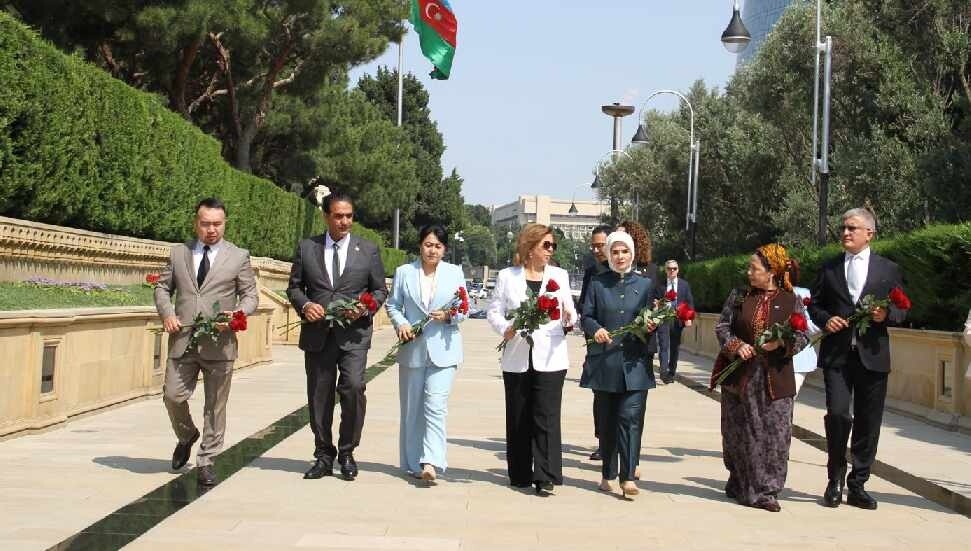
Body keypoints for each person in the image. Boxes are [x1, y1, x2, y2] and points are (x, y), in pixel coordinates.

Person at [154, 197, 258, 486]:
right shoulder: (178, 253)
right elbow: (162, 288)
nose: (211, 229)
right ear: (195, 223)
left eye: (217, 224)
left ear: (225, 224)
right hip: (183, 339)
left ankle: (207, 460)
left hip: (220, 343)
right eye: (205, 224)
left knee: (215, 406)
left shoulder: (238, 256)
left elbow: (250, 295)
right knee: (172, 396)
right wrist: (167, 313)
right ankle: (186, 435)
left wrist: (238, 314)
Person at [808, 208, 907, 510]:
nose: (846, 233)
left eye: (852, 228)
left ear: (869, 234)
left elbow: (903, 309)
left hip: (873, 356)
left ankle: (858, 484)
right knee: (838, 414)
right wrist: (826, 319)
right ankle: (834, 479)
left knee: (868, 421)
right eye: (843, 228)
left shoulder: (888, 269)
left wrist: (885, 314)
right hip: (837, 356)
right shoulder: (829, 268)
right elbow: (814, 305)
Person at [287, 191, 388, 481]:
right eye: (338, 216)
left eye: (349, 216)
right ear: (326, 216)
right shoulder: (307, 248)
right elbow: (294, 287)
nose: (344, 221)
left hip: (353, 336)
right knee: (319, 395)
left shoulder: (367, 250)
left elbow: (379, 290)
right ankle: (323, 454)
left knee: (353, 387)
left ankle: (347, 451)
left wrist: (364, 308)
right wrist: (305, 305)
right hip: (318, 335)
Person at [714, 243, 808, 512]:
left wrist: (780, 344)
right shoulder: (739, 296)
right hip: (740, 377)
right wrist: (736, 346)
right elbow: (722, 327)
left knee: (775, 435)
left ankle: (767, 490)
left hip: (775, 379)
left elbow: (801, 336)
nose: (749, 273)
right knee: (737, 432)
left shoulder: (791, 301)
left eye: (754, 268)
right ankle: (740, 481)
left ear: (771, 272)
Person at [487, 223, 577, 495]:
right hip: (517, 354)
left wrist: (569, 318)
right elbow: (493, 311)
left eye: (553, 245)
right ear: (530, 247)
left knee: (546, 415)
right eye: (546, 245)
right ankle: (520, 472)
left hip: (551, 356)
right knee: (519, 413)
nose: (551, 250)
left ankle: (546, 474)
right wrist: (506, 328)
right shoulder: (507, 276)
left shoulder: (559, 276)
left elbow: (570, 310)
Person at [385, 225, 466, 482]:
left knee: (435, 405)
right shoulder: (404, 272)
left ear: (445, 249)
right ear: (420, 245)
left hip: (444, 349)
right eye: (428, 245)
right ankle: (413, 462)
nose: (432, 250)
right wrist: (402, 324)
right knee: (412, 409)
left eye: (438, 246)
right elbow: (393, 305)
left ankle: (431, 461)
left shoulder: (454, 273)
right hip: (413, 349)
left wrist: (449, 316)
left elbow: (464, 308)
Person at [581, 231, 658, 498]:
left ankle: (628, 477)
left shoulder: (645, 285)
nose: (620, 256)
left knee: (631, 419)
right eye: (615, 251)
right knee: (608, 421)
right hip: (605, 363)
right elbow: (586, 316)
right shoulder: (597, 283)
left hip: (635, 365)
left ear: (632, 254)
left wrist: (651, 325)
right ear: (609, 254)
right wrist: (596, 329)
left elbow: (651, 318)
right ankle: (607, 473)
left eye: (625, 251)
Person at [579, 225, 612, 462]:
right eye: (594, 246)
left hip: (623, 343)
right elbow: (584, 307)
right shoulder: (591, 272)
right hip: (597, 341)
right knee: (600, 394)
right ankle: (603, 441)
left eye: (601, 245)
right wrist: (593, 328)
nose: (597, 250)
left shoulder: (630, 271)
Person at [656, 259, 695, 384]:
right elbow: (654, 299)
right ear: (665, 270)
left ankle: (671, 372)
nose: (672, 271)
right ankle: (663, 372)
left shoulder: (684, 285)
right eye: (669, 269)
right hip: (663, 318)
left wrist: (688, 318)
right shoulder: (660, 285)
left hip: (678, 320)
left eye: (674, 268)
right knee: (663, 345)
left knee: (675, 347)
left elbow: (689, 301)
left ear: (678, 270)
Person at [788, 259, 821, 394]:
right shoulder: (763, 295)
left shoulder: (804, 294)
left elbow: (817, 324)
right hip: (767, 359)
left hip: (798, 359)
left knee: (786, 400)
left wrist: (800, 324)